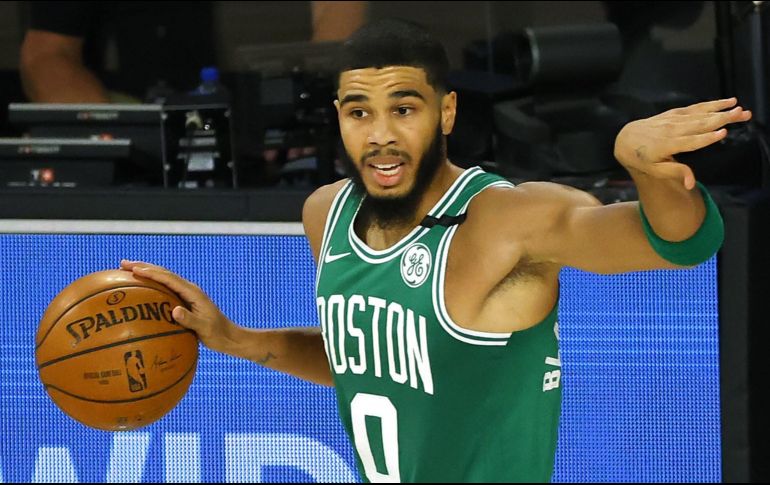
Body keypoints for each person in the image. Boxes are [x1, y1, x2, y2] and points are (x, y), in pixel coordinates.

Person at [120, 19, 750, 483]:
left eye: (404, 108)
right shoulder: (326, 213)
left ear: (446, 112)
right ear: (338, 116)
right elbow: (364, 363)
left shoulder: (504, 219)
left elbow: (681, 242)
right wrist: (235, 338)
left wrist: (648, 171)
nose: (381, 136)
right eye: (360, 113)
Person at [19, 1, 367, 104]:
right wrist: (119, 136)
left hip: (280, 136)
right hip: (146, 135)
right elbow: (46, 55)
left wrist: (310, 111)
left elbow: (341, 29)